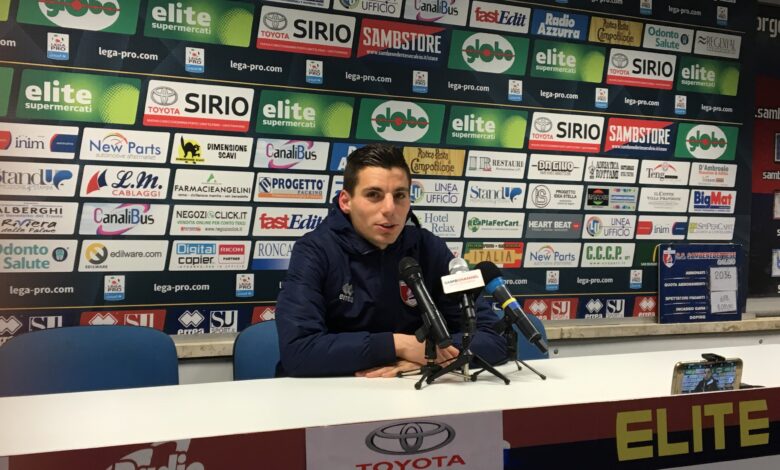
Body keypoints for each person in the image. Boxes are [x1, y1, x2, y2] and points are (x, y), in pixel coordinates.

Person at [275, 144, 507, 377]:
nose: (389, 209)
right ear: (346, 201)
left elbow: (493, 337)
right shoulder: (315, 251)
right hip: (334, 391)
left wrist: (430, 357)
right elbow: (298, 352)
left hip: (411, 387)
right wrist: (399, 346)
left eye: (399, 196)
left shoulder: (429, 248)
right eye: (373, 195)